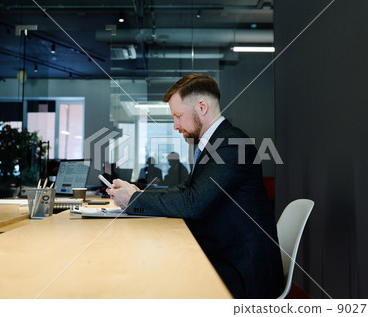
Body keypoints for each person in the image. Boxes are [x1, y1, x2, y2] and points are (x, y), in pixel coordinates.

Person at [108, 74, 283, 298]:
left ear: (202, 107)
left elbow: (193, 203)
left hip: (243, 273)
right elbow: (185, 190)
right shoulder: (216, 143)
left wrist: (133, 201)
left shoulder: (232, 145)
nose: (175, 125)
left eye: (178, 116)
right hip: (225, 255)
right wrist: (136, 193)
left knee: (152, 278)